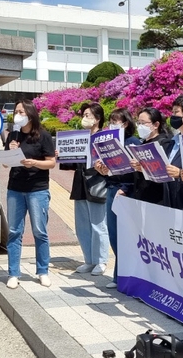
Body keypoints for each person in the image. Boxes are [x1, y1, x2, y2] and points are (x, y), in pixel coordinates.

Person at [2, 101, 56, 289]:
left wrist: (34, 162)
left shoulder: (44, 136)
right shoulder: (13, 136)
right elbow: (6, 164)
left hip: (38, 189)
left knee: (39, 231)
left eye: (21, 111)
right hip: (15, 188)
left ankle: (42, 271)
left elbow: (51, 163)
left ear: (30, 114)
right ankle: (13, 273)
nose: (17, 114)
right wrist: (11, 151)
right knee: (14, 231)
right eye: (16, 111)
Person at [94, 108, 140, 290]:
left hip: (126, 193)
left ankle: (125, 275)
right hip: (112, 190)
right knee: (113, 234)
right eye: (111, 121)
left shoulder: (133, 143)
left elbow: (138, 174)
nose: (112, 124)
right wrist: (102, 171)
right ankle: (118, 275)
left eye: (116, 121)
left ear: (125, 123)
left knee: (125, 235)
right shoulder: (109, 143)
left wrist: (126, 188)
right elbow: (112, 172)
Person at [63, 102, 110, 276]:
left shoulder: (104, 138)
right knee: (82, 224)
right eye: (83, 115)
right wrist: (63, 156)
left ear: (98, 119)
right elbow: (75, 161)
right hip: (80, 182)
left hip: (97, 182)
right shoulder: (81, 137)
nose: (84, 118)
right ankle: (89, 260)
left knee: (98, 224)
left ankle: (101, 261)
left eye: (88, 115)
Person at [129, 107, 176, 207]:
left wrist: (144, 168)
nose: (140, 126)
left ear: (156, 125)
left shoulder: (164, 143)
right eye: (138, 123)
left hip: (157, 198)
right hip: (141, 195)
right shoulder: (141, 143)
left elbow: (165, 172)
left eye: (143, 123)